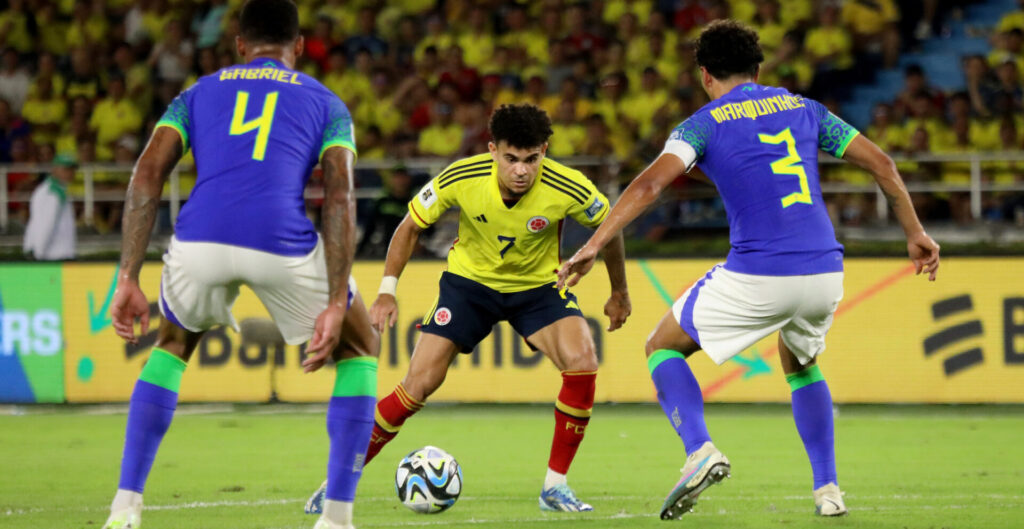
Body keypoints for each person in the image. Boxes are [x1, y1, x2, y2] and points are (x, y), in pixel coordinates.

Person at [558, 20, 940, 520]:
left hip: (761, 273)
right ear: (759, 68)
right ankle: (828, 491)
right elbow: (884, 165)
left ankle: (699, 451)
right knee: (800, 363)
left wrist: (595, 242)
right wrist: (915, 234)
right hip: (825, 271)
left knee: (661, 346)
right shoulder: (807, 109)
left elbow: (652, 185)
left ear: (704, 75)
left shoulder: (703, 123)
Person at [102, 2, 379, 529]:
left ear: (238, 45)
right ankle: (338, 518)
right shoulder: (327, 103)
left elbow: (146, 174)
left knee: (173, 343)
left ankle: (125, 506)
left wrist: (127, 277)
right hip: (280, 239)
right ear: (298, 47)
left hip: (198, 240)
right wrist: (336, 298)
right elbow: (339, 195)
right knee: (361, 346)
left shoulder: (195, 94)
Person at [306, 103, 632, 514]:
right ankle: (336, 484)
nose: (521, 171)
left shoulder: (570, 186)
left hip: (537, 288)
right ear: (493, 149)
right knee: (416, 386)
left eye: (532, 160)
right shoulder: (463, 176)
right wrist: (388, 289)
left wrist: (619, 290)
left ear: (544, 151)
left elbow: (610, 231)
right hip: (469, 286)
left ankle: (555, 486)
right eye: (511, 159)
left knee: (583, 361)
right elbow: (409, 227)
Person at [23, 154, 76, 260]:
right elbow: (46, 223)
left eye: (72, 169)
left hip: (54, 253)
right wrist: (39, 254)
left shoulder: (56, 189)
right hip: (52, 256)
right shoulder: (52, 192)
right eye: (66, 169)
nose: (70, 173)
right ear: (55, 170)